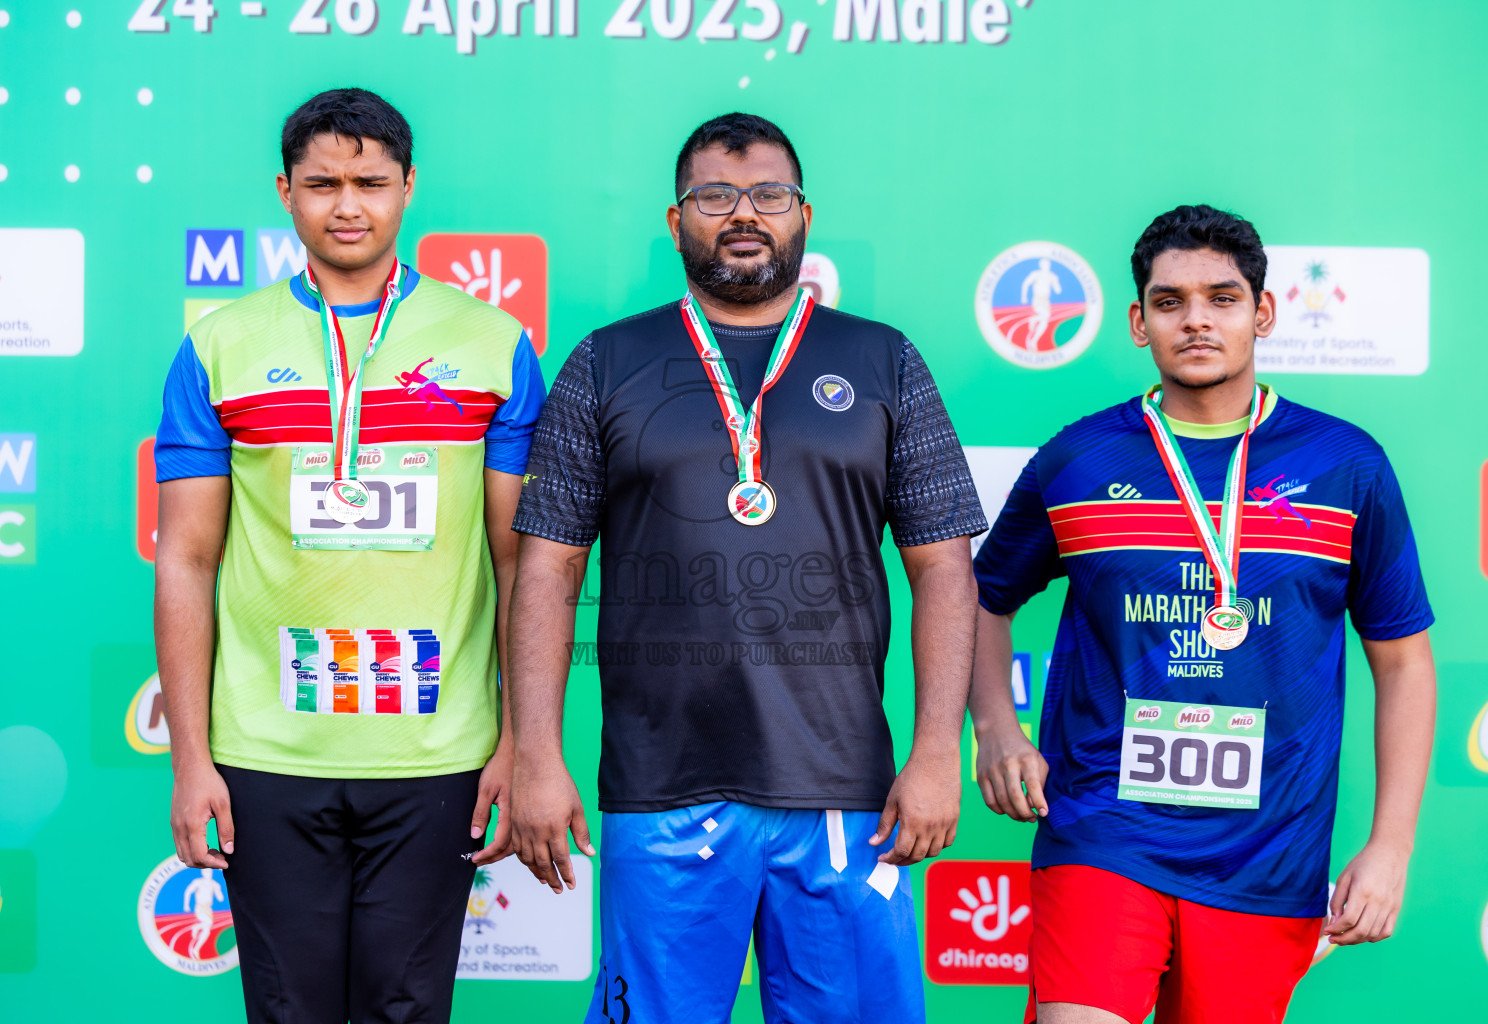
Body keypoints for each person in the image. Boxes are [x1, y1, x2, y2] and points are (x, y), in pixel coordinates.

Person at [507, 111, 986, 1024]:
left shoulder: (883, 359)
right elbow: (547, 572)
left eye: (769, 194)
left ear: (804, 214)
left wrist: (934, 754)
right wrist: (536, 754)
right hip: (661, 788)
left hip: (845, 793)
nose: (743, 214)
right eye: (715, 196)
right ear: (675, 219)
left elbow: (944, 571)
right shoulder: (606, 362)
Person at [970, 204, 1436, 1024]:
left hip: (1270, 852)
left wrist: (1391, 846)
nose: (1196, 320)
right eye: (1170, 301)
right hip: (1103, 826)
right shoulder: (1080, 459)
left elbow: (1402, 662)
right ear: (1137, 323)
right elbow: (979, 598)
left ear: (1263, 312)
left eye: (1222, 299)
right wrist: (996, 729)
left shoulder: (1346, 465)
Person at [153, 87, 544, 1023]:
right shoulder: (219, 346)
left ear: (409, 187)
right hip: (264, 754)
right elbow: (186, 561)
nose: (347, 205)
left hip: (437, 754)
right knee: (288, 1011)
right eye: (323, 183)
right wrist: (191, 761)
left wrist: (518, 742)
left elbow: (521, 565)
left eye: (370, 182)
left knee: (407, 1010)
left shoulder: (492, 344)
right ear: (285, 191)